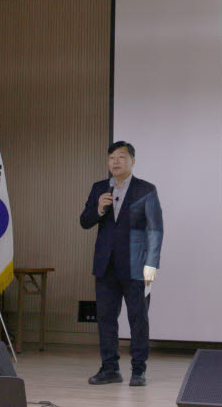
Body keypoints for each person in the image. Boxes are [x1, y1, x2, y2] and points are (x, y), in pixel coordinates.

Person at [80, 141, 163, 387]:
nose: (115, 162)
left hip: (137, 267)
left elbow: (155, 229)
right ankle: (110, 369)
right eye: (112, 158)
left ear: (132, 161)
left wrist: (152, 264)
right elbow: (84, 221)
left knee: (138, 319)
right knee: (106, 318)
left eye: (121, 157)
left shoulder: (145, 189)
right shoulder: (99, 188)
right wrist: (98, 208)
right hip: (106, 266)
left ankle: (139, 370)